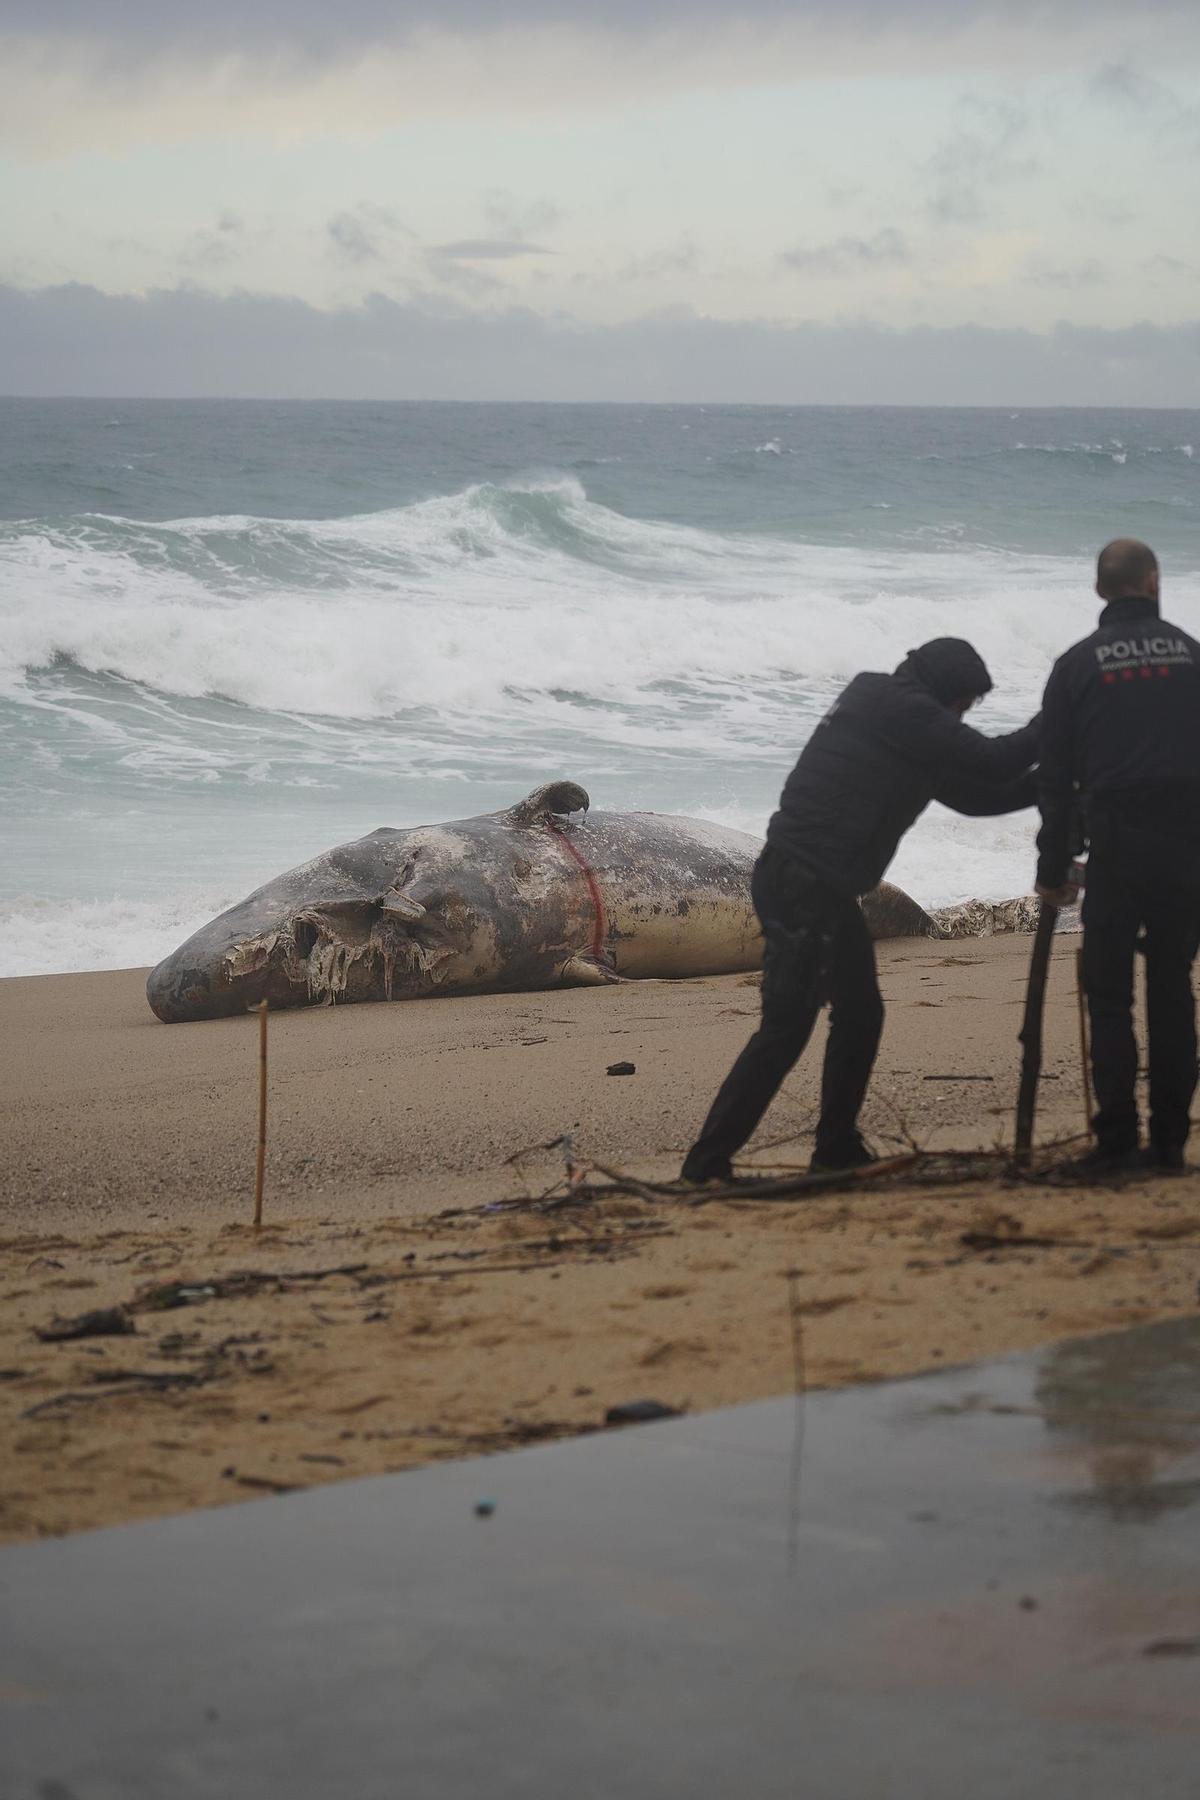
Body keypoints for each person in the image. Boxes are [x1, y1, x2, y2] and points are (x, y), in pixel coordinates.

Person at [680, 639, 1040, 1184]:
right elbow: (996, 759)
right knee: (786, 1027)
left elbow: (977, 795)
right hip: (803, 884)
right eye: (963, 704)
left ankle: (836, 1147)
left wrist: (1054, 785)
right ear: (943, 689)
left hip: (810, 885)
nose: (962, 717)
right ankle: (706, 1163)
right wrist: (1060, 718)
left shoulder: (897, 718)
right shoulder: (895, 703)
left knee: (859, 1012)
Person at [1035, 539, 1200, 1174]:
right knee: (1171, 990)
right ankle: (1170, 1145)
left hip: (1116, 848)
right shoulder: (1191, 653)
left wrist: (1054, 870)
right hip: (1187, 849)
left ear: (1100, 590)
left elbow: (1055, 781)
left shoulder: (1076, 665)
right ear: (1153, 582)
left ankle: (1116, 1143)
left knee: (1108, 997)